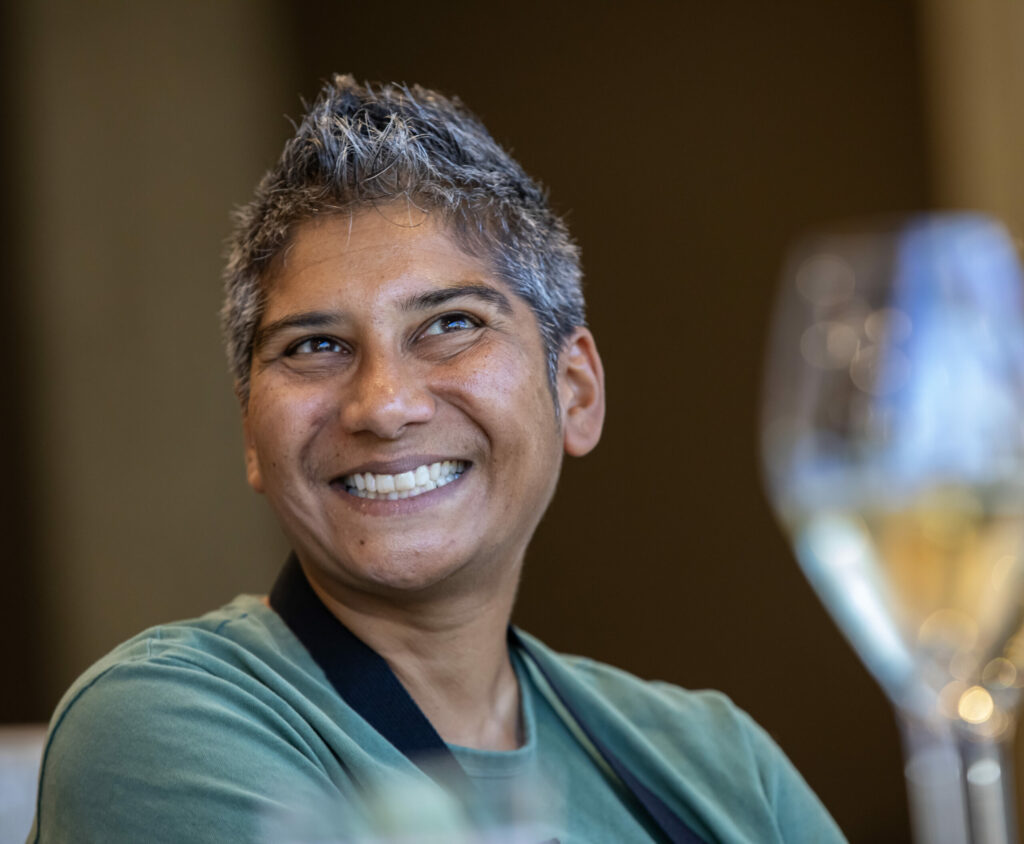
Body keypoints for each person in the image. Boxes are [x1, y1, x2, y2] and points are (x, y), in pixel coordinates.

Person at [29, 75, 844, 843]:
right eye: (315, 345)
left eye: (451, 324)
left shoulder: (725, 766)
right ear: (251, 435)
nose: (383, 405)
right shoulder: (162, 726)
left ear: (577, 393)